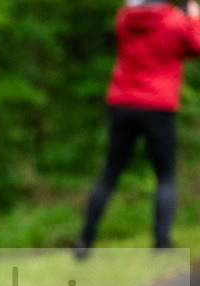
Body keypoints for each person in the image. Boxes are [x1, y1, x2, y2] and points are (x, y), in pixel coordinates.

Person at [75, 0, 200, 258]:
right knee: (165, 174)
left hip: (122, 101)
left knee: (110, 173)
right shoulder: (175, 22)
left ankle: (85, 240)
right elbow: (195, 47)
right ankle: (161, 242)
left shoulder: (124, 19)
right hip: (158, 104)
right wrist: (194, 17)